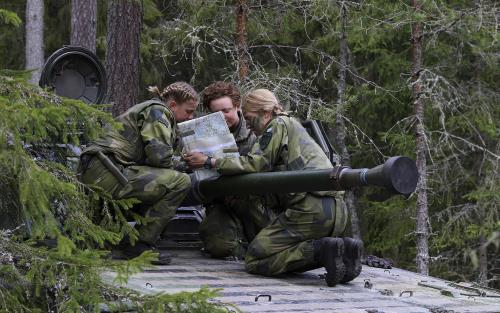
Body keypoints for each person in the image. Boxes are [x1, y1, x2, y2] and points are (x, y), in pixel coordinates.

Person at [185, 88, 363, 286]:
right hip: (335, 210)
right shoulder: (291, 126)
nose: (250, 126)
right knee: (282, 245)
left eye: (252, 119)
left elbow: (257, 163)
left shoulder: (277, 125)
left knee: (255, 258)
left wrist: (210, 162)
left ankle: (321, 251)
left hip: (310, 209)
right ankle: (346, 252)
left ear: (266, 112)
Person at [78, 81, 199, 265]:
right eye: (188, 111)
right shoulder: (159, 111)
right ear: (173, 105)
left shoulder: (151, 109)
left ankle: (134, 237)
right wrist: (187, 163)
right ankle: (140, 244)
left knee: (167, 179)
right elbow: (159, 157)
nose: (190, 116)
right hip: (107, 172)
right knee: (180, 181)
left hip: (104, 170)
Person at [198, 81, 273, 259]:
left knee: (270, 243)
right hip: (220, 201)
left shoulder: (256, 132)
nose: (222, 117)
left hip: (255, 201)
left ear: (237, 107)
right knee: (220, 246)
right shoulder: (202, 134)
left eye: (226, 111)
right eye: (215, 113)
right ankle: (243, 251)